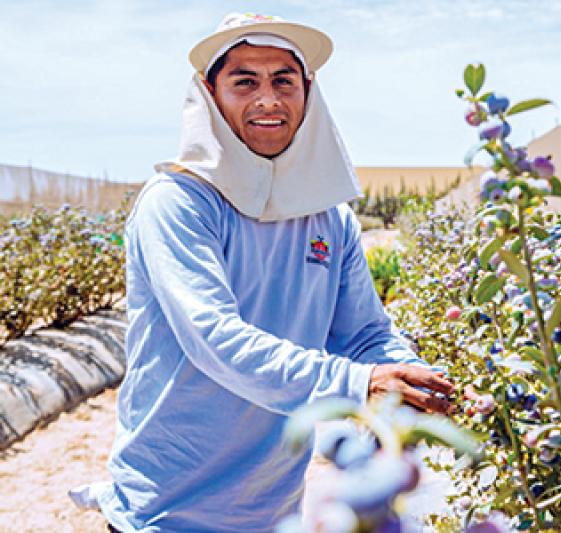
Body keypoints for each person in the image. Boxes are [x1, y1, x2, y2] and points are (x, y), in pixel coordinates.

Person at [74, 12, 453, 532]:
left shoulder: (328, 217)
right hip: (169, 510)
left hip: (273, 508)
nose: (269, 99)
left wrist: (418, 381)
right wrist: (357, 382)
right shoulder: (179, 204)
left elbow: (364, 333)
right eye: (245, 82)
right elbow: (215, 340)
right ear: (210, 94)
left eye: (283, 81)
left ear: (308, 91)